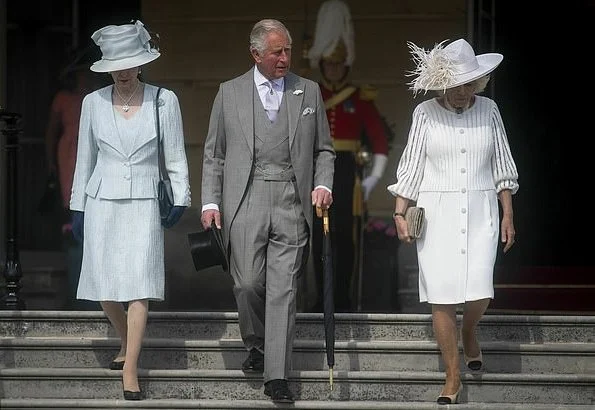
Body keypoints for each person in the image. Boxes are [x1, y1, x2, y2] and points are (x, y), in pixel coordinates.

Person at [200, 19, 335, 403]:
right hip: (245, 198)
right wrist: (210, 202)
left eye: (288, 50)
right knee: (247, 283)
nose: (285, 58)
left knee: (284, 289)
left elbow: (324, 149)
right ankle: (256, 343)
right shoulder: (229, 92)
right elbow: (214, 154)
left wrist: (322, 184)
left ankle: (277, 375)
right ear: (256, 53)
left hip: (293, 199)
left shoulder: (307, 91)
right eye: (277, 51)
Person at [387, 38, 519, 405]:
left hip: (481, 211)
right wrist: (400, 212)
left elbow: (502, 166)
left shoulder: (490, 110)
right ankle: (451, 376)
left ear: (477, 83)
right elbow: (411, 166)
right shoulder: (425, 113)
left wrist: (508, 213)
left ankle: (470, 331)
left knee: (481, 291)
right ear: (441, 84)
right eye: (454, 85)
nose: (462, 92)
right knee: (441, 298)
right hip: (437, 214)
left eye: (468, 84)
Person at [69, 20, 191, 401]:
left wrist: (182, 196)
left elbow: (174, 154)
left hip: (143, 199)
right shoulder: (93, 103)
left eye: (130, 63)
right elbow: (84, 158)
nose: (122, 71)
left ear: (142, 63)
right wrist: (78, 207)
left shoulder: (163, 100)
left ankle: (132, 367)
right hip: (102, 199)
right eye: (115, 65)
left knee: (140, 284)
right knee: (105, 284)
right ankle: (125, 340)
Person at [307, 0, 389, 312]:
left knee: (345, 240)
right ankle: (320, 299)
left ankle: (342, 298)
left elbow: (379, 140)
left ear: (346, 65)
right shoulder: (310, 93)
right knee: (318, 238)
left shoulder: (359, 97)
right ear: (322, 64)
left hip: (348, 174)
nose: (333, 69)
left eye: (338, 64)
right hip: (317, 171)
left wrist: (373, 179)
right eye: (329, 64)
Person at [44, 46, 102, 310]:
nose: (85, 78)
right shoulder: (64, 98)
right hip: (70, 155)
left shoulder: (101, 98)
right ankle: (76, 288)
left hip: (97, 157)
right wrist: (50, 164)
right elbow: (51, 133)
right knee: (73, 215)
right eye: (81, 73)